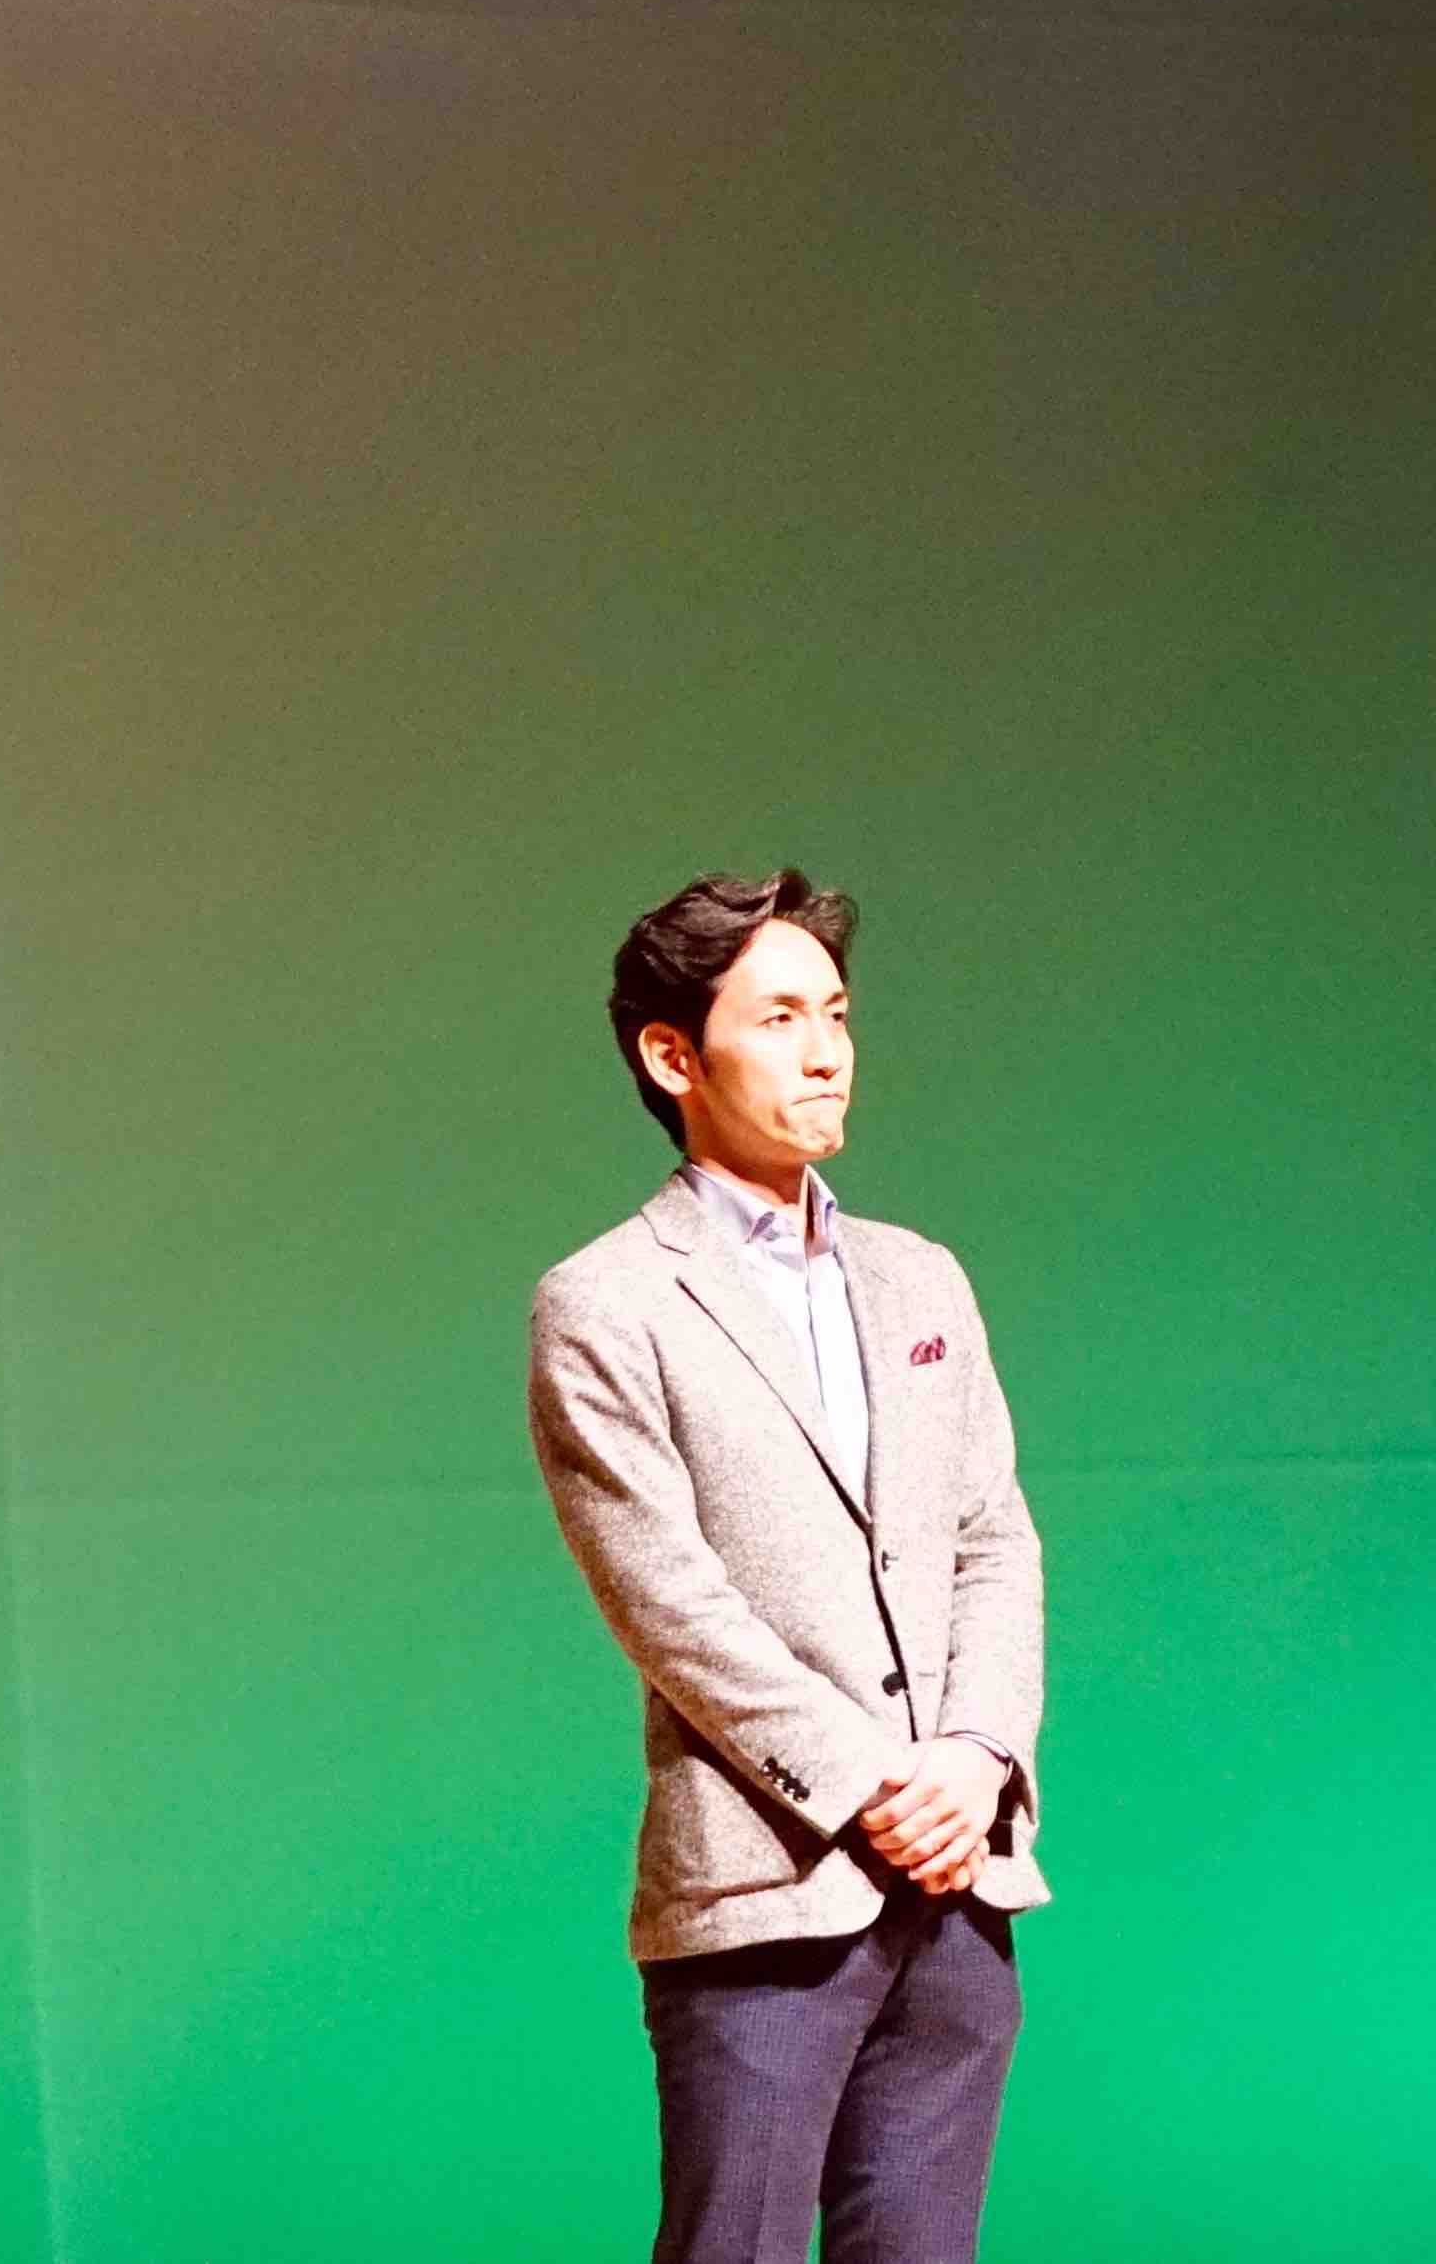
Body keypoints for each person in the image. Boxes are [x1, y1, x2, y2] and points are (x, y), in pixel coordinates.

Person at [524, 869, 1047, 2264]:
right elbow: (669, 1603)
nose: (827, 1051)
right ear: (673, 1055)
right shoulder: (605, 1302)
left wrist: (977, 1757)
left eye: (838, 1012)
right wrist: (876, 1783)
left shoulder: (921, 1276)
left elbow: (993, 1538)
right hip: (765, 1895)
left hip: (958, 1890)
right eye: (779, 1017)